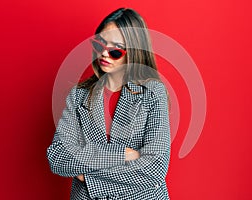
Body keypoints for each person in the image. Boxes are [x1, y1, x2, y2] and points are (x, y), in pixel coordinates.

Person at [47, 8, 171, 200]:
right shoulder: (79, 95)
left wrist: (88, 179)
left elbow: (154, 169)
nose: (104, 54)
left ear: (135, 52)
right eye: (100, 45)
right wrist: (122, 154)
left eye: (115, 50)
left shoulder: (152, 93)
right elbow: (58, 157)